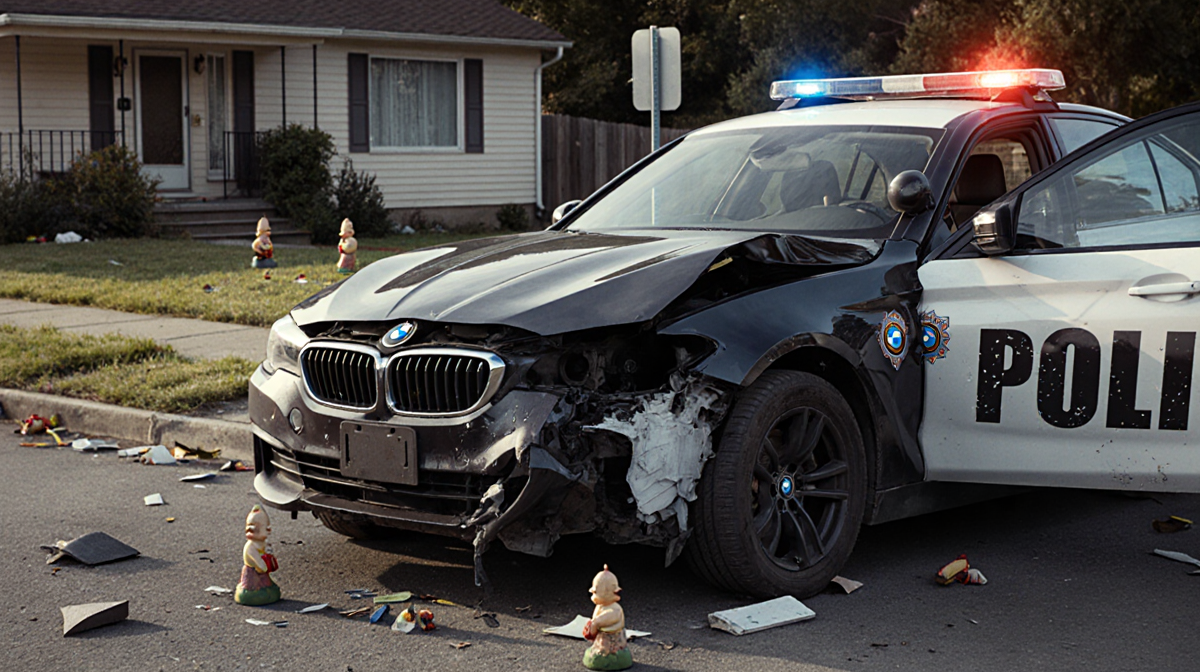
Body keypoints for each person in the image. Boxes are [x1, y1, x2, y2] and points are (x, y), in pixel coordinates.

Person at [582, 565, 632, 670]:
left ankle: (611, 658)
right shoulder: (600, 606)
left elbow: (601, 621)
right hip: (601, 637)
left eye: (595, 593)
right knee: (599, 648)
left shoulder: (615, 610)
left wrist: (594, 624)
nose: (592, 597)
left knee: (608, 652)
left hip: (612, 639)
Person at [234, 505, 281, 605]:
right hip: (253, 571)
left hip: (262, 572)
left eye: (257, 527)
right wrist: (263, 565)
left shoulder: (263, 543)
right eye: (249, 526)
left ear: (268, 530)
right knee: (252, 587)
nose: (251, 529)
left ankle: (266, 591)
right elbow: (260, 564)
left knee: (266, 584)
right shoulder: (250, 547)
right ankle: (250, 593)